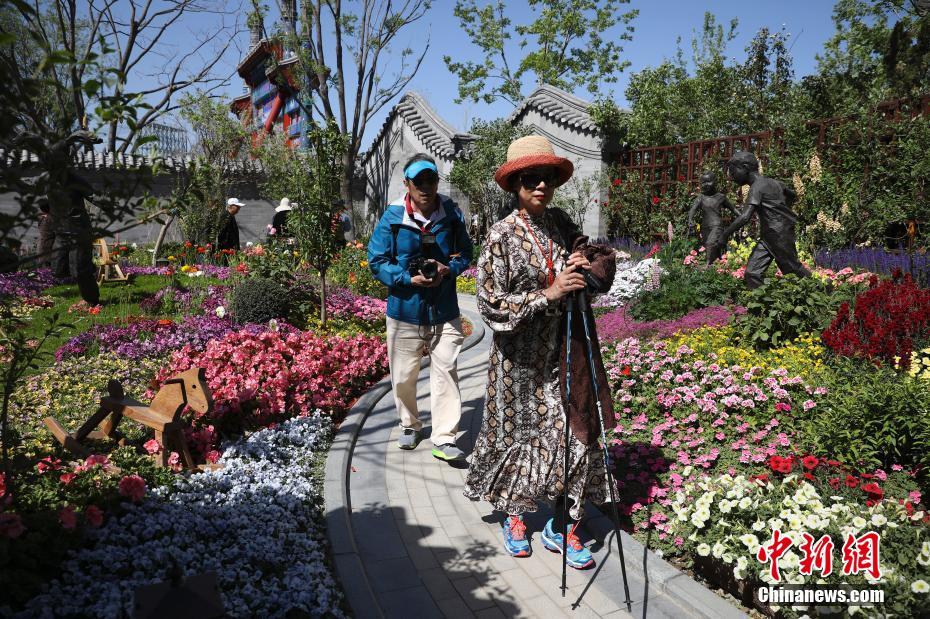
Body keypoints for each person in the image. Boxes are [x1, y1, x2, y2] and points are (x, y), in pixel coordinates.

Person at [463, 135, 617, 569]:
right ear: (516, 184)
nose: (541, 186)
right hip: (517, 361)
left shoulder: (562, 223)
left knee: (575, 436)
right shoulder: (501, 235)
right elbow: (490, 304)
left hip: (563, 354)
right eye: (531, 178)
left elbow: (590, 256)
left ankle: (563, 524)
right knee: (517, 438)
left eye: (547, 177)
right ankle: (514, 517)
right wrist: (548, 293)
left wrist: (581, 264)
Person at [368, 154, 473, 462]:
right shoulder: (393, 217)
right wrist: (407, 278)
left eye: (431, 180)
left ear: (437, 182)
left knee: (446, 372)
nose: (426, 187)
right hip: (404, 311)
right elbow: (377, 261)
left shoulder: (451, 213)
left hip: (444, 310)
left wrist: (448, 270)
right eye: (419, 181)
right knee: (403, 376)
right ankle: (410, 425)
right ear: (407, 184)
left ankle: (444, 438)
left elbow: (466, 252)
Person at [722, 151, 811, 288]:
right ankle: (761, 300)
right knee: (752, 273)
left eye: (733, 172)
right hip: (769, 236)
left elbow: (745, 217)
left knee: (793, 269)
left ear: (745, 167)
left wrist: (725, 234)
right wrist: (783, 210)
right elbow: (792, 195)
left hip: (778, 236)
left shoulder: (756, 187)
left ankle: (822, 289)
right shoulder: (775, 183)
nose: (732, 177)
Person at [686, 171, 741, 264]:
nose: (706, 184)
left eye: (708, 181)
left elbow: (733, 209)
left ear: (715, 181)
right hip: (705, 227)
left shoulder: (721, 197)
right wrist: (690, 219)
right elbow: (693, 209)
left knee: (710, 243)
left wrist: (742, 216)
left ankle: (707, 266)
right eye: (703, 182)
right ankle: (717, 266)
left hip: (717, 226)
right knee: (711, 247)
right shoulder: (701, 198)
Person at [37, 197, 55, 267]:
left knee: (42, 265)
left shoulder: (40, 217)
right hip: (50, 244)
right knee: (48, 265)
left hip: (42, 243)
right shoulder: (51, 218)